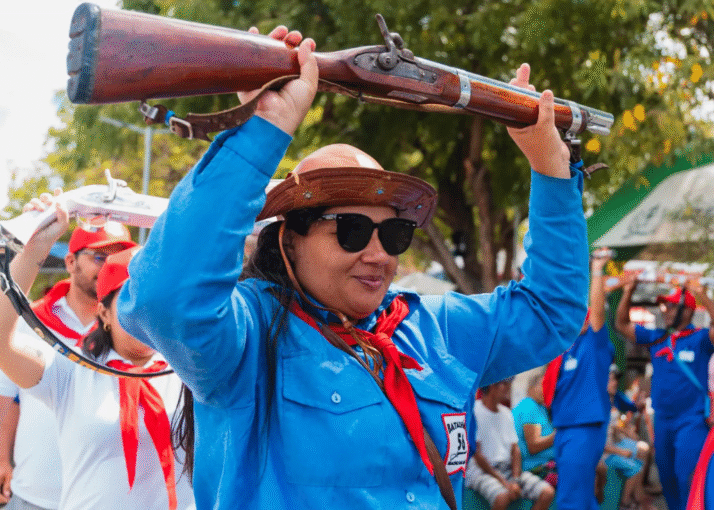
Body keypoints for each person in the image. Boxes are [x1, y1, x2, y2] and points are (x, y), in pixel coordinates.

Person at [117, 26, 589, 509]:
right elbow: (164, 299)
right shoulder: (248, 338)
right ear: (289, 240)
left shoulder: (431, 329)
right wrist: (263, 132)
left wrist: (550, 167)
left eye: (395, 233)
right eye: (352, 231)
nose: (380, 254)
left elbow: (551, 310)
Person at [0, 201, 195, 510]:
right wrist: (35, 248)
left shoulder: (190, 371)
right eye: (130, 302)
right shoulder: (71, 369)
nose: (146, 315)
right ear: (104, 311)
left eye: (154, 302)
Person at [0, 223, 135, 510]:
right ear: (70, 262)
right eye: (100, 257)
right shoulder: (32, 324)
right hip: (34, 498)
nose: (110, 267)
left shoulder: (137, 331)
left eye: (118, 259)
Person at [615, 277, 714, 510]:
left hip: (692, 420)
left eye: (671, 305)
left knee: (686, 476)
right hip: (663, 421)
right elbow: (621, 325)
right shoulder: (657, 337)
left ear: (687, 310)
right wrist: (628, 292)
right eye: (664, 305)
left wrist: (702, 294)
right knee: (667, 478)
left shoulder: (700, 338)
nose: (665, 310)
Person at [542, 252, 614, 510]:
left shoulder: (593, 344)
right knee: (579, 497)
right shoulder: (564, 350)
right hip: (564, 428)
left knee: (571, 500)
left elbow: (596, 312)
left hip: (583, 428)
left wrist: (597, 270)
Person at [466, 379, 555, 510]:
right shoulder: (475, 411)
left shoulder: (506, 413)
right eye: (505, 384)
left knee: (547, 493)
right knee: (502, 497)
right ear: (491, 385)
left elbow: (515, 450)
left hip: (506, 470)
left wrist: (515, 480)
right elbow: (477, 454)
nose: (509, 387)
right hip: (481, 471)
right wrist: (505, 483)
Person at [603, 366, 657, 510]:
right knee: (636, 464)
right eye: (611, 379)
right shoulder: (598, 403)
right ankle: (628, 502)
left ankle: (637, 494)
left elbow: (615, 425)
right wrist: (621, 450)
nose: (615, 383)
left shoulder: (614, 397)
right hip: (606, 451)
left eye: (615, 379)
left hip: (614, 442)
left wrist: (626, 431)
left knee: (643, 450)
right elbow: (598, 440)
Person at [512, 371, 556, 483]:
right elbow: (533, 446)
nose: (548, 389)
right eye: (544, 385)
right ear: (532, 387)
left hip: (546, 464)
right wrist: (559, 435)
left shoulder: (540, 407)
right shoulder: (529, 406)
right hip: (535, 468)